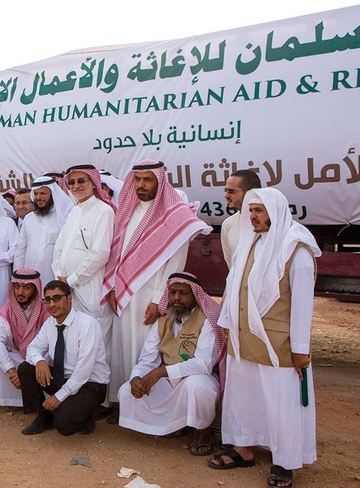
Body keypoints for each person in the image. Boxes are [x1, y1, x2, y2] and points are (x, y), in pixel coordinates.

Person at [209, 188, 320, 487]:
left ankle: (284, 461)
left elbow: (302, 306)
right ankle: (244, 448)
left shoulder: (295, 249)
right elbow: (233, 287)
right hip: (244, 338)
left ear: (276, 210)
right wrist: (227, 322)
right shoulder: (249, 243)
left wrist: (299, 349)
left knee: (280, 402)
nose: (253, 216)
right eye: (250, 211)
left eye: (259, 210)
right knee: (244, 397)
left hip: (278, 342)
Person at [102, 160, 211, 410]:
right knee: (121, 345)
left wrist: (160, 299)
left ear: (160, 181)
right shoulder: (128, 210)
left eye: (147, 179)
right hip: (124, 291)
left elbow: (177, 263)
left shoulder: (174, 214)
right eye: (137, 179)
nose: (141, 185)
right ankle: (123, 400)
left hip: (152, 292)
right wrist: (111, 287)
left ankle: (149, 402)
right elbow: (117, 252)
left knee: (145, 347)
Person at [118, 272, 225, 456]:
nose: (176, 298)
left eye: (183, 293)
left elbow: (203, 364)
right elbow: (147, 359)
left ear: (195, 295)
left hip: (197, 379)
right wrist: (136, 377)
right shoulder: (163, 319)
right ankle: (172, 426)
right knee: (126, 391)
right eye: (173, 292)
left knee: (197, 386)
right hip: (168, 383)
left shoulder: (207, 319)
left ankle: (202, 430)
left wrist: (161, 372)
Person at [18, 280, 109, 436]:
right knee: (26, 368)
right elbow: (32, 348)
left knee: (64, 425)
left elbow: (83, 372)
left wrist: (58, 397)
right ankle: (44, 416)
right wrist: (40, 361)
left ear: (69, 298)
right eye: (48, 299)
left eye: (57, 298)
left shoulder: (87, 325)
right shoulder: (49, 323)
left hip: (90, 385)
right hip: (63, 379)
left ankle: (87, 416)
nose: (52, 304)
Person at [53, 165, 115, 375]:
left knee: (97, 341)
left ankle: (101, 398)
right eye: (72, 182)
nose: (76, 186)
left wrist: (71, 279)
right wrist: (59, 274)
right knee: (75, 340)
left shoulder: (103, 211)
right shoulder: (74, 211)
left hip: (91, 288)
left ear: (93, 183)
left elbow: (99, 253)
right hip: (68, 288)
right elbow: (60, 246)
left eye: (81, 181)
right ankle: (76, 391)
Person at [0, 268, 50, 407]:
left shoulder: (46, 309)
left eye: (26, 287)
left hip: (41, 357)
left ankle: (44, 400)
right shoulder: (6, 310)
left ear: (35, 290)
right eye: (17, 286)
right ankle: (17, 402)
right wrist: (12, 372)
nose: (20, 292)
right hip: (19, 356)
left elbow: (51, 341)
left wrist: (38, 360)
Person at [14, 176, 73, 286]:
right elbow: (20, 250)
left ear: (52, 194)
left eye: (43, 193)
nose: (39, 197)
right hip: (30, 277)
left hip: (56, 276)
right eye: (36, 194)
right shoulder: (29, 218)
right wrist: (18, 276)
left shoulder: (64, 217)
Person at [221, 169, 262, 268]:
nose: (226, 195)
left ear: (249, 192)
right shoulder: (228, 224)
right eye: (226, 191)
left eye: (231, 191)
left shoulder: (268, 222)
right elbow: (231, 264)